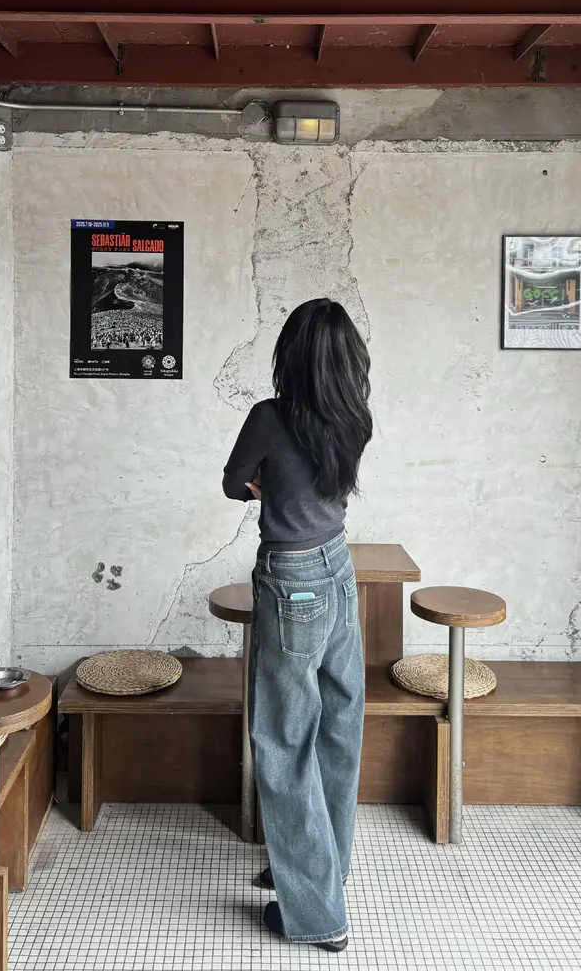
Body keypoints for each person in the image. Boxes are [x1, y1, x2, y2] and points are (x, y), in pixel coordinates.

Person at [222, 298, 373, 953]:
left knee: (284, 740)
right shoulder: (354, 417)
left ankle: (316, 915)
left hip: (292, 581)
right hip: (338, 569)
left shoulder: (269, 416)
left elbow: (233, 483)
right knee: (338, 725)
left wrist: (261, 483)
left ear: (291, 354)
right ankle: (319, 872)